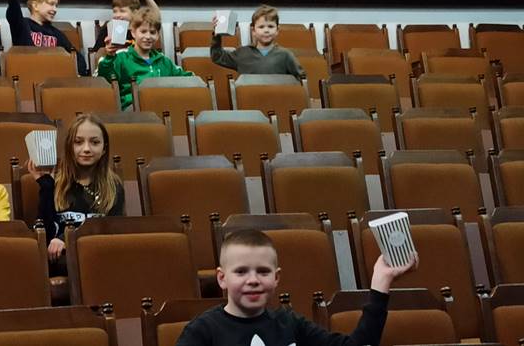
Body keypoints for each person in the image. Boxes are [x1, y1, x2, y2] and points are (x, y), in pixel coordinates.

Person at [176, 229, 418, 346]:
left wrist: (380, 283)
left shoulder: (290, 323)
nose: (253, 280)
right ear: (221, 278)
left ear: (276, 278)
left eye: (263, 271)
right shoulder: (202, 332)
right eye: (241, 271)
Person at [28, 114, 125, 273]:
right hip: (61, 261)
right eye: (78, 142)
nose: (86, 149)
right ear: (69, 146)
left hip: (100, 258)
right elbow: (44, 232)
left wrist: (66, 238)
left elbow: (113, 232)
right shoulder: (55, 184)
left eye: (95, 142)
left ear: (104, 148)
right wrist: (45, 186)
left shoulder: (114, 186)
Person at [97, 7, 193, 109]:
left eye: (152, 32)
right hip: (133, 110)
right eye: (143, 31)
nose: (148, 36)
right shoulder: (121, 57)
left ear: (158, 35)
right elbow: (104, 78)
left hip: (161, 108)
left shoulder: (163, 61)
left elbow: (187, 78)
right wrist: (109, 57)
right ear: (133, 33)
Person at [0, 0, 88, 75]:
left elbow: (78, 60)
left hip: (52, 78)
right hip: (28, 76)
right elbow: (14, 12)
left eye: (56, 5)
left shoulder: (56, 34)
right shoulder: (22, 25)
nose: (55, 9)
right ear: (35, 6)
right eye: (51, 4)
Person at [210, 5, 304, 78]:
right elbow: (217, 57)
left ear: (277, 30)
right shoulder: (242, 53)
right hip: (250, 97)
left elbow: (302, 79)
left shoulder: (285, 55)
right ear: (253, 31)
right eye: (261, 27)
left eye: (270, 26)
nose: (266, 30)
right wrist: (217, 35)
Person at [91, 0, 161, 53]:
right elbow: (95, 54)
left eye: (122, 11)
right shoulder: (108, 27)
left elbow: (156, 16)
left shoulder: (141, 27)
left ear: (135, 13)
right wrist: (106, 50)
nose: (117, 15)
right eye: (115, 11)